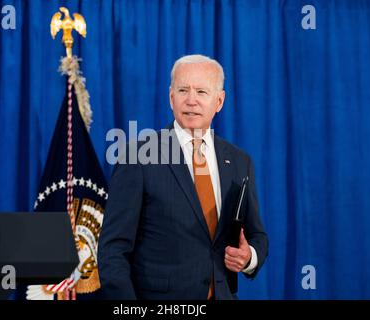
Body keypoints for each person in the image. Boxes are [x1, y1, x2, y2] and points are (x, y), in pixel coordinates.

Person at [98, 54, 268, 300]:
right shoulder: (139, 156)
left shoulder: (240, 161)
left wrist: (249, 257)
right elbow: (113, 250)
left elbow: (257, 235)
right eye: (183, 90)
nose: (191, 100)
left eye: (201, 92)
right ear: (171, 97)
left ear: (219, 101)